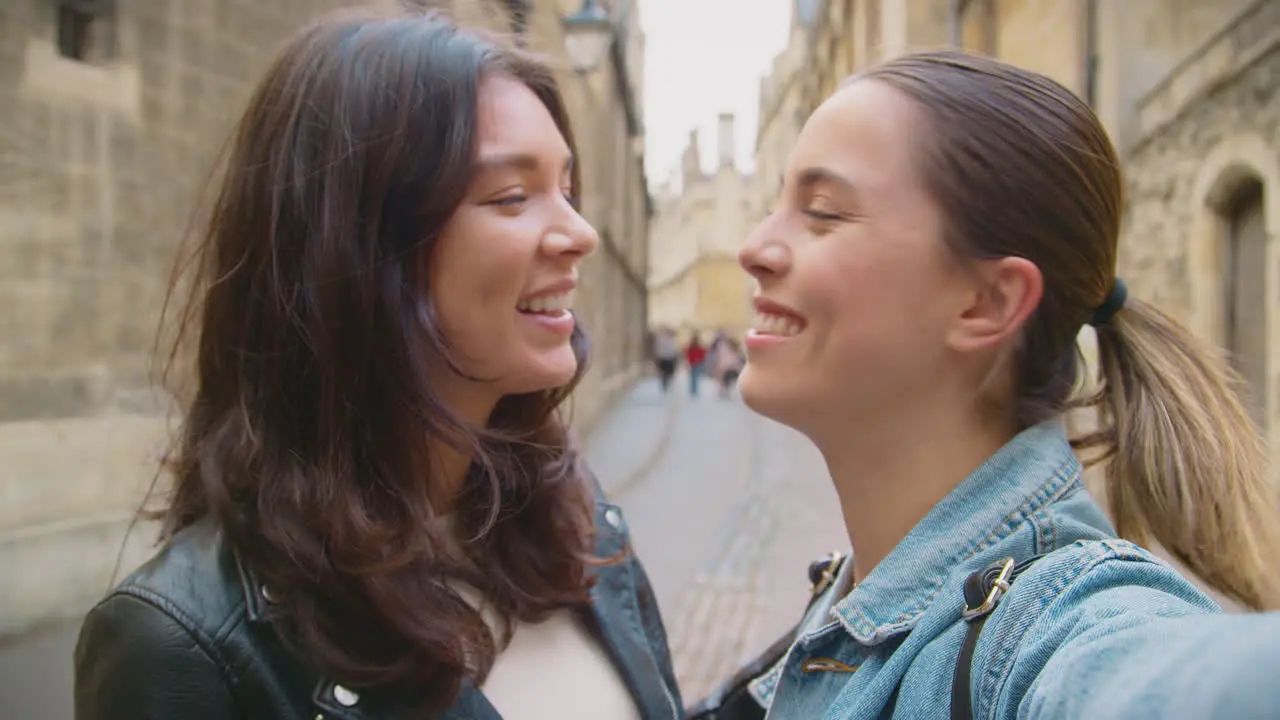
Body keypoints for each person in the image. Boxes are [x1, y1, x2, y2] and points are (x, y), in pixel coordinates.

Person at [72, 9, 681, 720]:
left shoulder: (580, 528)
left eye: (568, 191)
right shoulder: (185, 648)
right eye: (513, 196)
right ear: (361, 251)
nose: (580, 234)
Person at [731, 50, 1280, 719]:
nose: (754, 247)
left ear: (986, 303)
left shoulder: (1050, 634)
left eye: (824, 212)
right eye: (777, 205)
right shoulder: (855, 593)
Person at [653, 326, 680, 392]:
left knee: (668, 373)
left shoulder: (671, 340)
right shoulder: (662, 339)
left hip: (668, 357)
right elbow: (658, 349)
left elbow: (674, 350)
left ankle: (666, 383)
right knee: (665, 372)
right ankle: (665, 383)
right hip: (665, 358)